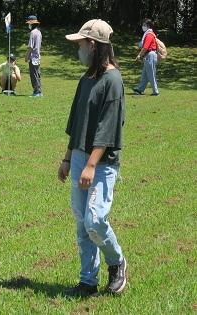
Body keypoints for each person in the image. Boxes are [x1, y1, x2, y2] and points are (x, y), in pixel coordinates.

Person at [58, 19, 127, 297]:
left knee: (95, 220)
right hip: (78, 157)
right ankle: (88, 280)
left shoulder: (113, 80)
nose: (78, 50)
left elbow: (107, 127)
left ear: (93, 45)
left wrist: (90, 164)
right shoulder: (86, 80)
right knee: (81, 222)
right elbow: (77, 123)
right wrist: (67, 158)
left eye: (80, 45)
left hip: (101, 163)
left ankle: (117, 262)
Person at [133, 18, 159, 96]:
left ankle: (155, 91)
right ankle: (140, 89)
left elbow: (145, 47)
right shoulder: (148, 34)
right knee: (145, 74)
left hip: (150, 55)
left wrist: (139, 55)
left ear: (148, 26)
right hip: (148, 55)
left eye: (144, 25)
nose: (143, 26)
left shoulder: (149, 35)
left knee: (151, 74)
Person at [25, 15, 42, 97]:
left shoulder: (32, 33)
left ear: (31, 24)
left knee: (33, 75)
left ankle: (37, 92)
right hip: (38, 57)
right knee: (37, 74)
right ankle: (38, 91)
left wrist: (26, 56)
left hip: (33, 57)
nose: (28, 25)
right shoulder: (39, 32)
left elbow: (30, 47)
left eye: (29, 24)